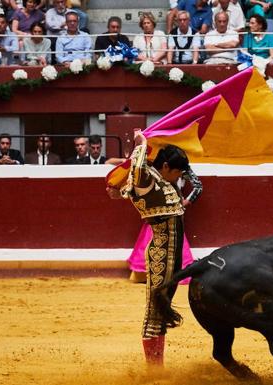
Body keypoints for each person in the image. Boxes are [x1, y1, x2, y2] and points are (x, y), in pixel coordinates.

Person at [107, 129, 190, 366]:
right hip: (161, 255)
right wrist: (141, 144)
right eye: (177, 172)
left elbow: (130, 188)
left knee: (161, 308)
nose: (178, 176)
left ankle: (157, 365)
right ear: (165, 167)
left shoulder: (157, 180)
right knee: (155, 308)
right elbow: (137, 170)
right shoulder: (148, 179)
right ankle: (154, 370)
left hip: (170, 254)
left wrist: (120, 192)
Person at [127, 165, 202, 284]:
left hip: (167, 210)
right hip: (157, 210)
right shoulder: (160, 161)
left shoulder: (177, 162)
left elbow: (198, 187)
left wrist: (185, 202)